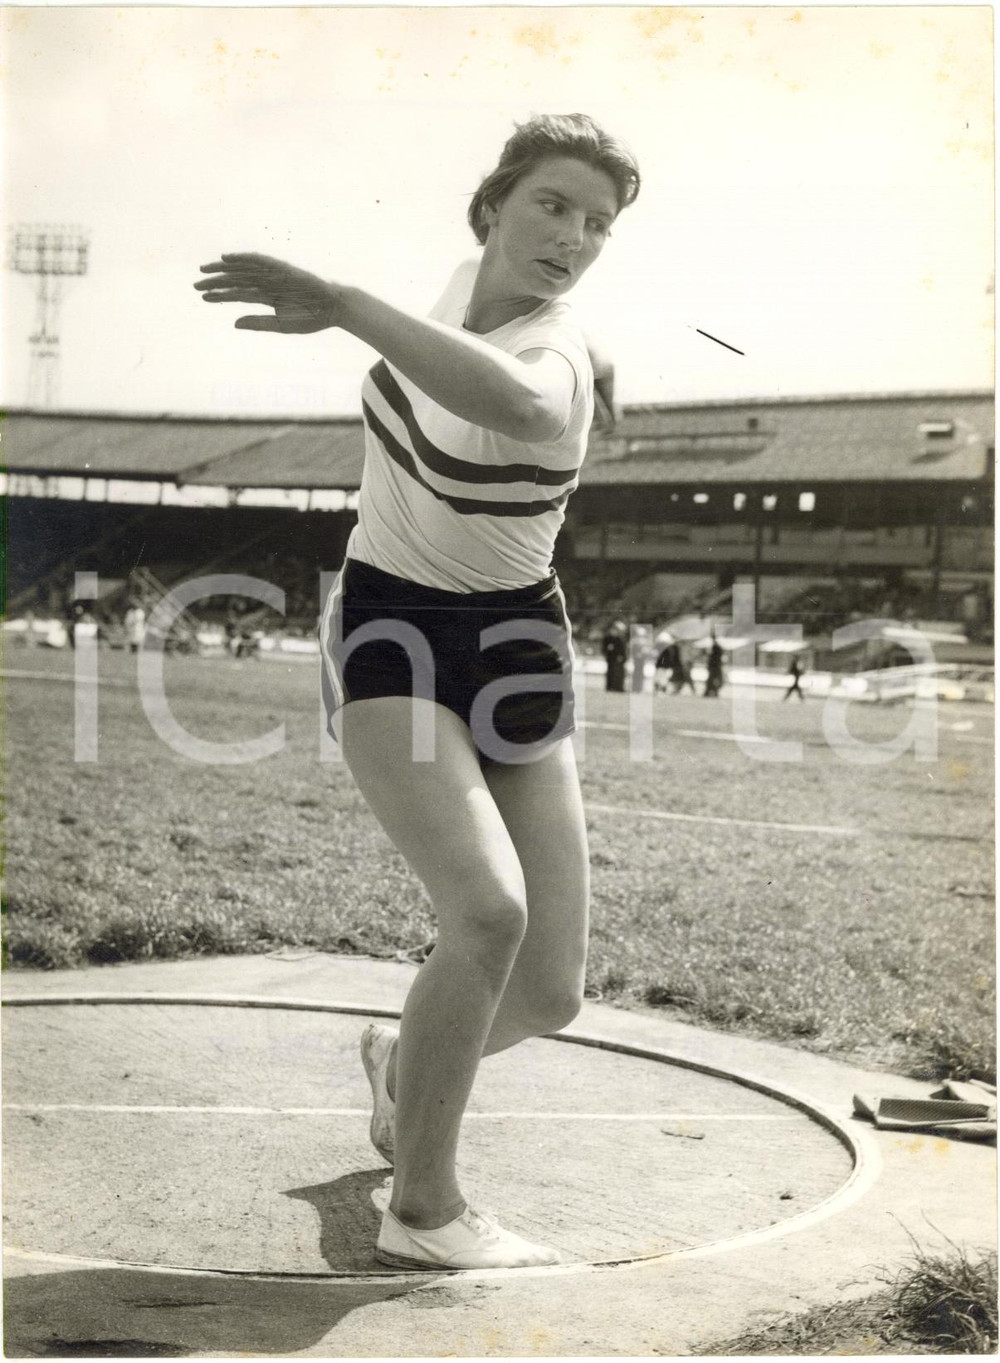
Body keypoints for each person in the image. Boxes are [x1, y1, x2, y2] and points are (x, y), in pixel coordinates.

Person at [195, 113, 640, 1272]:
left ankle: (399, 1067)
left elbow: (533, 401)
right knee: (487, 913)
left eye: (597, 224)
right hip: (390, 621)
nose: (573, 237)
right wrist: (609, 355)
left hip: (519, 644)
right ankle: (424, 1206)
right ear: (490, 207)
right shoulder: (460, 289)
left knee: (549, 993)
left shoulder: (550, 356)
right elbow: (493, 326)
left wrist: (342, 300)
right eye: (553, 205)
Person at [602, 617, 628, 692]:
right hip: (613, 658)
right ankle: (613, 687)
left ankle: (618, 687)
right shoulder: (610, 637)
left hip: (619, 659)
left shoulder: (620, 638)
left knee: (619, 673)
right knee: (613, 673)